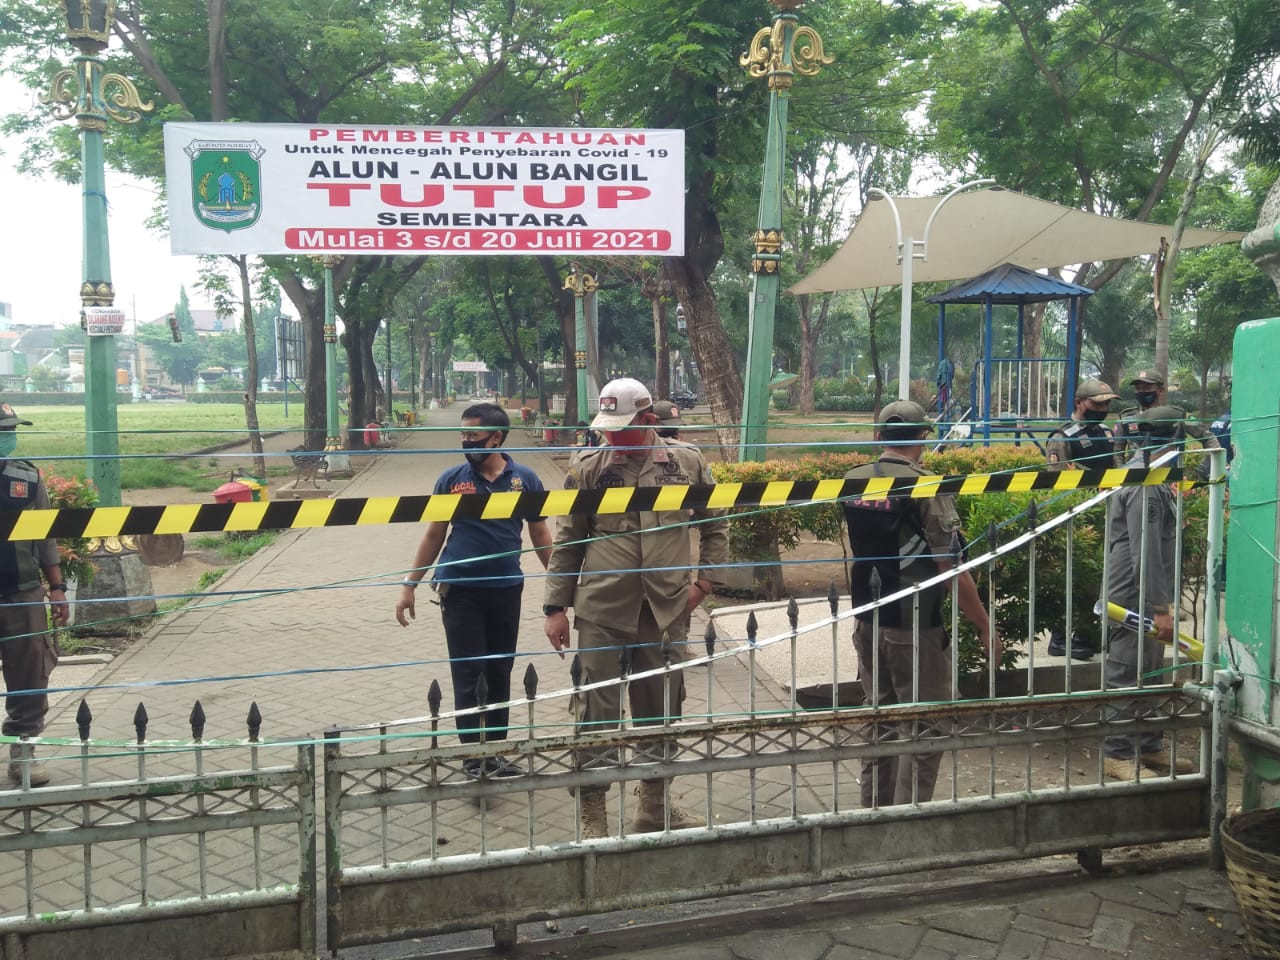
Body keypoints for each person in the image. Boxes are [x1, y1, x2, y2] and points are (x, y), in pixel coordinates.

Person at [543, 377, 728, 837]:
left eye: (621, 427)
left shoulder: (687, 463)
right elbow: (569, 538)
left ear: (648, 421)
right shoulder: (588, 465)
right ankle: (594, 812)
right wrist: (555, 607)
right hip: (603, 607)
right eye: (606, 427)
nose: (611, 436)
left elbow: (716, 525)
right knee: (596, 711)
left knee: (661, 706)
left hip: (666, 609)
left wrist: (704, 583)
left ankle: (653, 804)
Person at [843, 400, 1002, 807]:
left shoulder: (853, 479)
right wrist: (985, 625)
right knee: (925, 727)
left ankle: (871, 814)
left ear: (879, 435)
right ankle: (910, 820)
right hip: (915, 627)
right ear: (922, 438)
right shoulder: (925, 485)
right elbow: (951, 567)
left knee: (879, 720)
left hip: (868, 621)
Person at [395, 403, 552, 778]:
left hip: (506, 590)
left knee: (500, 671)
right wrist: (409, 585)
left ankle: (495, 752)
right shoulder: (451, 480)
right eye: (463, 435)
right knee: (469, 675)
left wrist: (562, 585)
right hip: (460, 592)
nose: (466, 442)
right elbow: (434, 534)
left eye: (474, 436)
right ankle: (473, 757)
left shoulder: (525, 480)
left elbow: (540, 534)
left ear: (496, 437)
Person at [1101, 405, 1196, 781]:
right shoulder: (1147, 483)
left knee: (1151, 673)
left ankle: (1148, 746)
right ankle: (1117, 754)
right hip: (1133, 598)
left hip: (1145, 595)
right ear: (1173, 439)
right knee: (1127, 673)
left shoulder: (1153, 475)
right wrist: (1160, 607)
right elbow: (1147, 551)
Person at [0, 403, 69, 786]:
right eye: (5, 429)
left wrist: (57, 589)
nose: (10, 436)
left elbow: (45, 538)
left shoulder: (25, 477)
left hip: (21, 594)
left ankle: (23, 752)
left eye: (11, 429)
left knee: (29, 677)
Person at [1043, 378, 1121, 660]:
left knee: (1097, 579)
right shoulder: (1063, 436)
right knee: (1071, 578)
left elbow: (1117, 468)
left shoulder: (1107, 433)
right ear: (1080, 403)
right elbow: (1056, 479)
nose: (1104, 408)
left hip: (1106, 513)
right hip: (1076, 516)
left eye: (1107, 403)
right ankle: (1060, 638)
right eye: (1097, 403)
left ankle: (1087, 636)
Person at [1115, 371, 1221, 471]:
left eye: (1147, 388)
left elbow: (1208, 438)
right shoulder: (1126, 418)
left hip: (1169, 479)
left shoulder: (1175, 415)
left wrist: (1214, 464)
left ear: (1161, 390)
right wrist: (1121, 478)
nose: (1142, 392)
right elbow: (1117, 453)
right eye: (1138, 388)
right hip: (1136, 479)